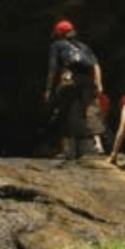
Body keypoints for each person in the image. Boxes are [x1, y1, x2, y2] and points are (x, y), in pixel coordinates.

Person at [44, 19, 105, 160]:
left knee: (62, 112)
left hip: (69, 81)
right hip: (87, 81)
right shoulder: (83, 46)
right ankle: (98, 144)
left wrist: (48, 89)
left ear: (59, 34)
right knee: (91, 110)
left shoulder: (57, 45)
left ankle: (67, 149)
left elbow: (53, 69)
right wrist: (99, 83)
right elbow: (96, 65)